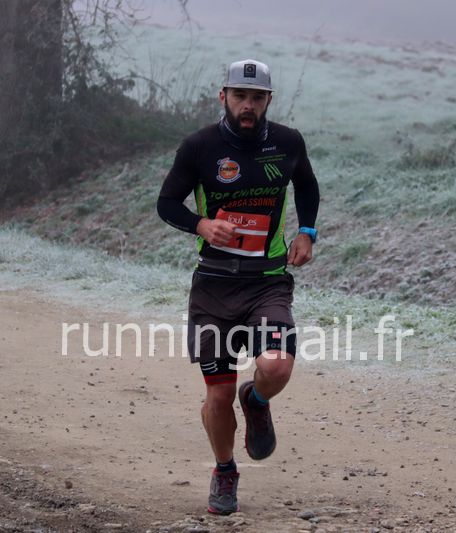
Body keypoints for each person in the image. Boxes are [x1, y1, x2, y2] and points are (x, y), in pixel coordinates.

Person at [157, 59, 320, 515]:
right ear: (223, 96)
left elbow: (307, 186)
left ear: (269, 100)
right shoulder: (200, 147)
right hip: (213, 286)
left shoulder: (287, 142)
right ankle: (225, 470)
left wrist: (307, 232)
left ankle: (258, 399)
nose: (248, 105)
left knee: (277, 366)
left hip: (267, 281)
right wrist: (202, 225)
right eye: (239, 96)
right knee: (218, 395)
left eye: (256, 98)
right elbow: (167, 203)